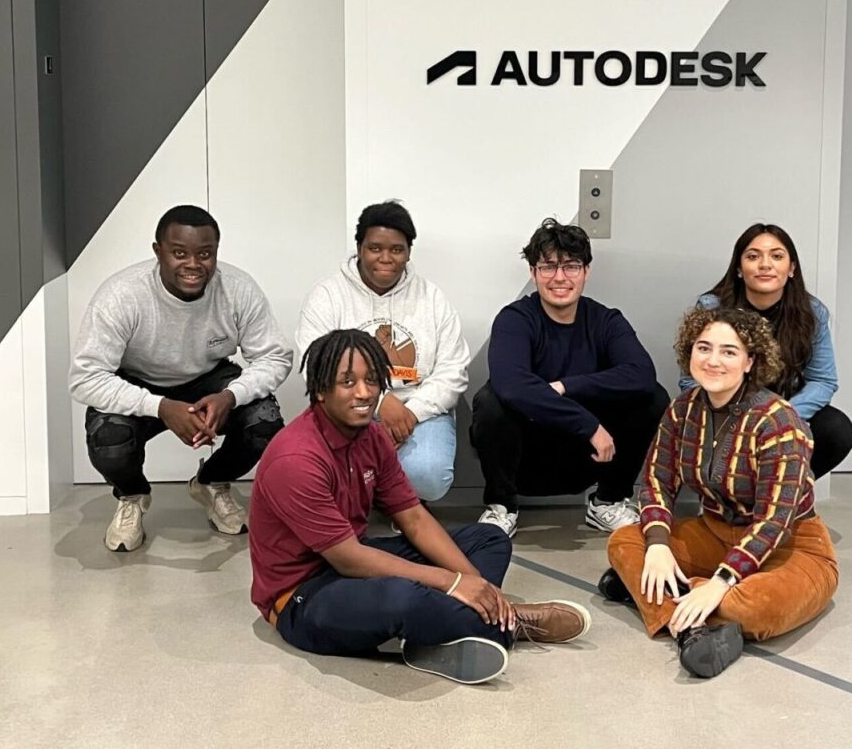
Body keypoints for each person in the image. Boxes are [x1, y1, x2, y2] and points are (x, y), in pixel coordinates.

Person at [249, 329, 590, 685]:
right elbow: (347, 558)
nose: (364, 393)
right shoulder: (296, 458)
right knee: (402, 596)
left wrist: (472, 583)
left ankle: (442, 632)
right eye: (347, 382)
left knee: (489, 539)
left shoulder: (371, 436)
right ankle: (510, 623)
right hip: (302, 596)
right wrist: (451, 581)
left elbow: (413, 518)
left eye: (371, 380)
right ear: (320, 390)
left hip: (352, 560)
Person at [602, 307, 839, 678]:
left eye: (729, 351)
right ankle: (693, 628)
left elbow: (775, 520)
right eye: (703, 348)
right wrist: (660, 544)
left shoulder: (779, 421)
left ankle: (667, 599)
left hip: (790, 544)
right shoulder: (682, 410)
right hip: (714, 530)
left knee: (757, 608)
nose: (713, 360)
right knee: (624, 543)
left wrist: (721, 581)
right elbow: (657, 482)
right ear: (689, 353)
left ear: (750, 361)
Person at [69, 205, 293, 552]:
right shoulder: (122, 295)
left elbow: (275, 355)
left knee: (263, 425)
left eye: (205, 254)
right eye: (178, 253)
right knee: (109, 441)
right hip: (138, 382)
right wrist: (160, 407)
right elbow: (85, 377)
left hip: (210, 378)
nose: (193, 264)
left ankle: (211, 483)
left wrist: (231, 396)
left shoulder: (237, 289)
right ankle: (131, 496)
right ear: (158, 251)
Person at [470, 218, 669, 537]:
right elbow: (512, 384)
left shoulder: (606, 321)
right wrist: (587, 424)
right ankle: (502, 507)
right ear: (533, 273)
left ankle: (607, 501)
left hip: (589, 456)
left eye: (571, 266)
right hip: (528, 459)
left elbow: (642, 374)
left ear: (586, 272)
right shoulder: (515, 319)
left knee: (653, 397)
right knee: (491, 401)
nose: (559, 278)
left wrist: (567, 386)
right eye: (548, 267)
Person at [295, 201, 470, 503]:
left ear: (409, 252)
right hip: (347, 409)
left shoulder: (432, 298)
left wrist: (409, 415)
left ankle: (400, 502)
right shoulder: (328, 295)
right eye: (375, 248)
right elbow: (315, 363)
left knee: (428, 477)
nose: (385, 258)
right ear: (359, 247)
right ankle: (373, 498)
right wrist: (379, 403)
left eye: (397, 249)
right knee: (318, 475)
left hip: (419, 410)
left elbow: (453, 370)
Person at [681, 223, 852, 477]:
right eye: (753, 256)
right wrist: (735, 415)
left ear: (791, 268)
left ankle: (788, 493)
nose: (765, 264)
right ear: (739, 269)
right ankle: (725, 500)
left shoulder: (812, 313)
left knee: (836, 429)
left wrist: (780, 416)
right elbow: (691, 379)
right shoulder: (711, 308)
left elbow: (823, 380)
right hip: (726, 409)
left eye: (777, 256)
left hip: (787, 404)